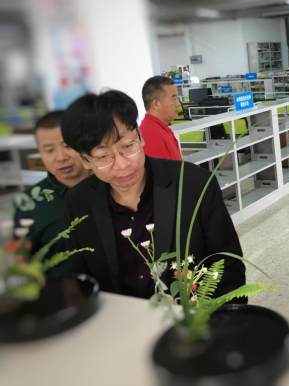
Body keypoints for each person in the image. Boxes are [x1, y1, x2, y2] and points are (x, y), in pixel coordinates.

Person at [60, 90, 245, 298]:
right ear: (86, 161)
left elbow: (229, 266)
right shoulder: (78, 202)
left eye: (128, 146)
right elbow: (79, 279)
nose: (121, 164)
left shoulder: (193, 184)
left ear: (140, 138)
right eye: (103, 157)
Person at [13, 111, 89, 255]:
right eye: (49, 150)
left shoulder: (111, 185)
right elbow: (22, 259)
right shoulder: (29, 202)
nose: (61, 157)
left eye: (67, 146)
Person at [139, 75, 182, 161]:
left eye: (177, 98)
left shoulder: (160, 129)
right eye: (174, 98)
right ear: (156, 104)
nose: (178, 104)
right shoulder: (151, 136)